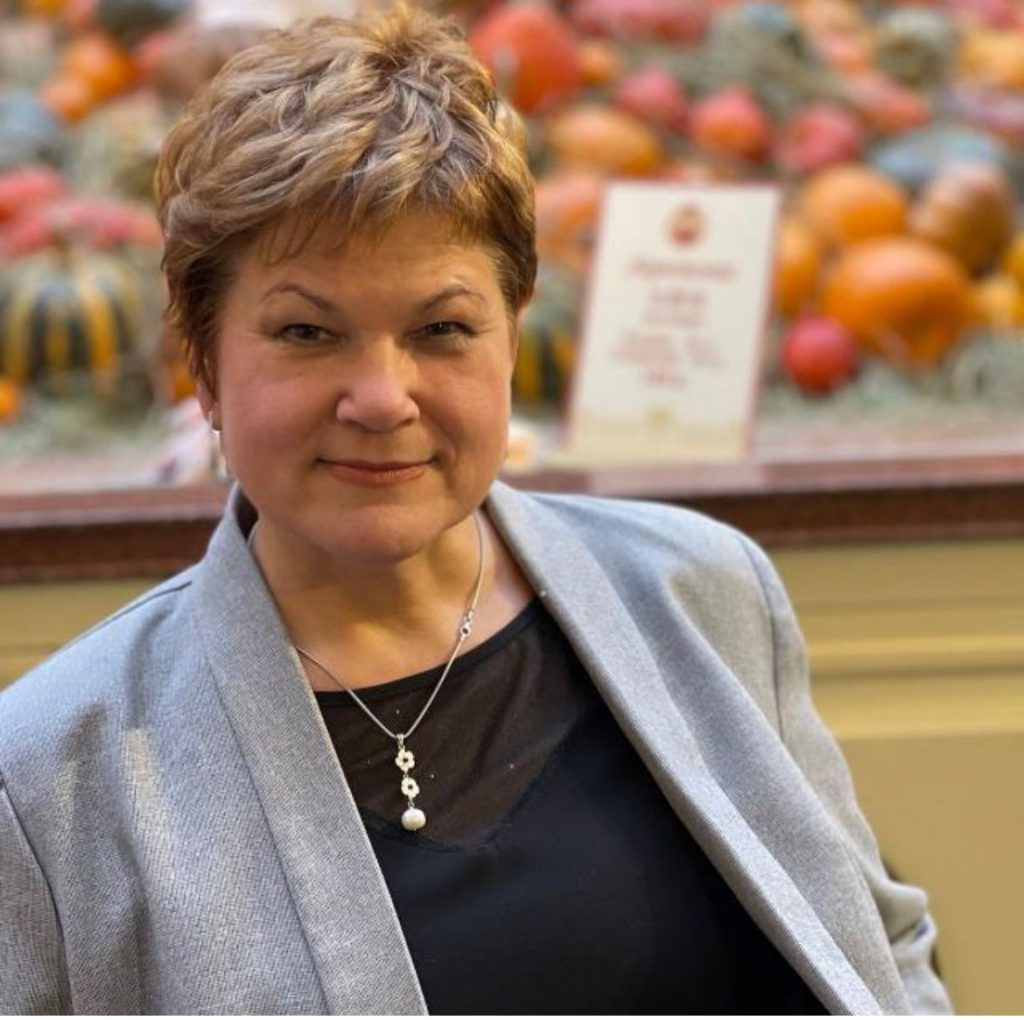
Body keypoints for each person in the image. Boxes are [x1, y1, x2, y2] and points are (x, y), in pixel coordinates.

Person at [0, 7, 952, 1015]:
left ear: (512, 334)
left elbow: (881, 947)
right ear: (202, 364)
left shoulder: (706, 593)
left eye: (442, 328)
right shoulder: (53, 780)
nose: (382, 398)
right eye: (308, 332)